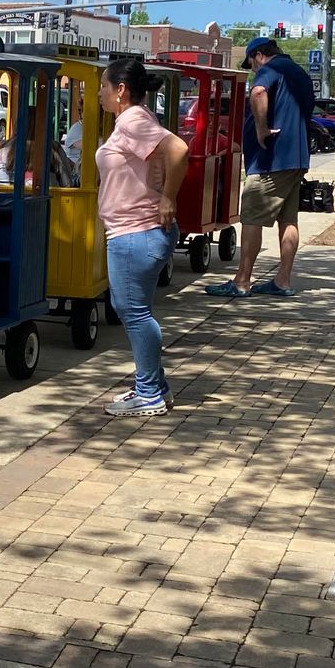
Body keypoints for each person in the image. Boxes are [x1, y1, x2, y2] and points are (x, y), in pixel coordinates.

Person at [97, 56, 191, 417]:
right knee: (132, 309)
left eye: (104, 87)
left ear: (121, 90)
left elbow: (179, 151)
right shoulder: (133, 121)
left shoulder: (133, 120)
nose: (101, 94)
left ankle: (149, 392)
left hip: (136, 232)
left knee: (133, 312)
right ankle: (153, 384)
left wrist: (168, 197)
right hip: (134, 232)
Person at [207, 34, 313, 298]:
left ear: (258, 55)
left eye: (251, 63)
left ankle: (242, 281)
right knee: (288, 220)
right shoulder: (299, 73)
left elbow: (258, 91)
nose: (253, 69)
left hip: (271, 161)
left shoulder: (270, 69)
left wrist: (261, 128)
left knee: (252, 217)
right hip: (296, 159)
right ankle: (282, 280)